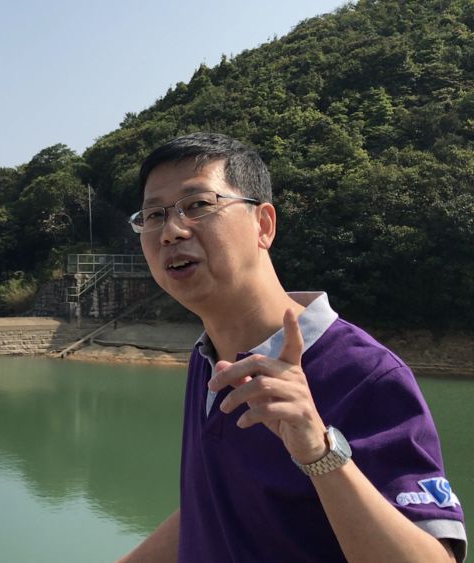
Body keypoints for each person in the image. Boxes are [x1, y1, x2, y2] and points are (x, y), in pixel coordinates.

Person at [117, 132, 466, 562]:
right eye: (154, 215)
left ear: (263, 225)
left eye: (199, 205)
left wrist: (319, 452)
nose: (171, 231)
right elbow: (215, 505)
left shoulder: (364, 373)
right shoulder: (208, 359)